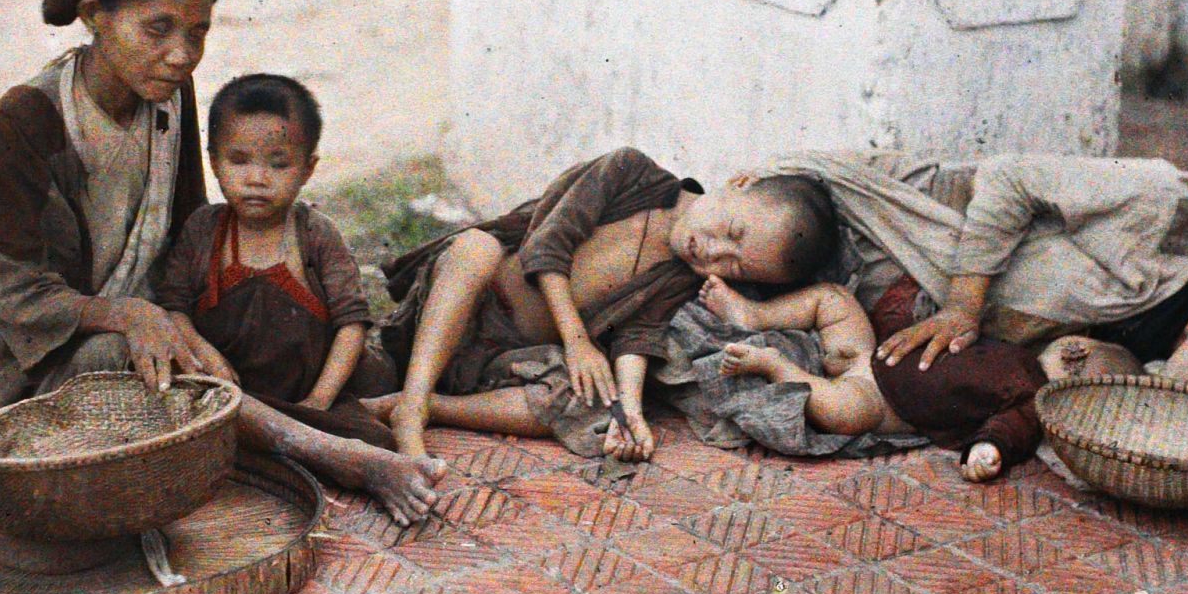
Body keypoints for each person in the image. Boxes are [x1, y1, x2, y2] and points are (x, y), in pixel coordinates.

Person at [0, 0, 444, 525]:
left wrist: (198, 324)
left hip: (147, 311)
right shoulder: (28, 118)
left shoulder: (169, 95)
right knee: (125, 365)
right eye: (158, 29)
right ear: (95, 16)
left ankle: (264, 419)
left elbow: (189, 233)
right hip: (32, 347)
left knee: (289, 339)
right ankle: (338, 454)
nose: (181, 55)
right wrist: (135, 317)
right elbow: (16, 298)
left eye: (198, 33)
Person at [737, 150, 1188, 450]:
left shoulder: (1142, 362)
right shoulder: (1162, 211)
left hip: (867, 307)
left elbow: (1166, 398)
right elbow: (1008, 181)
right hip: (881, 224)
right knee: (707, 250)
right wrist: (964, 307)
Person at [359, 147, 839, 464]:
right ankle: (414, 402)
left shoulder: (682, 278)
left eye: (734, 268)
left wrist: (630, 410)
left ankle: (433, 407)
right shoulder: (629, 172)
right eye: (732, 233)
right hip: (454, 310)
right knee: (476, 248)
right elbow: (546, 247)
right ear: (739, 182)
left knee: (592, 408)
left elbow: (638, 334)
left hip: (500, 363)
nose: (712, 253)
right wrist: (577, 340)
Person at [153, 73, 404, 448]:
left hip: (312, 394)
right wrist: (207, 358)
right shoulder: (204, 229)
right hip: (232, 396)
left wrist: (319, 402)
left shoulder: (315, 233)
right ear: (214, 163)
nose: (256, 178)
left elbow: (351, 325)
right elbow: (174, 309)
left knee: (370, 441)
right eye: (238, 161)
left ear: (308, 169)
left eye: (278, 164)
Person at [696, 274, 1043, 480]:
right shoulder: (1023, 351)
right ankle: (754, 315)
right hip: (869, 351)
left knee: (837, 412)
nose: (1074, 355)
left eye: (1078, 363)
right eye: (1078, 350)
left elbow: (1015, 428)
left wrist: (990, 448)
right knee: (832, 298)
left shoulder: (1036, 400)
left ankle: (775, 366)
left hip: (876, 402)